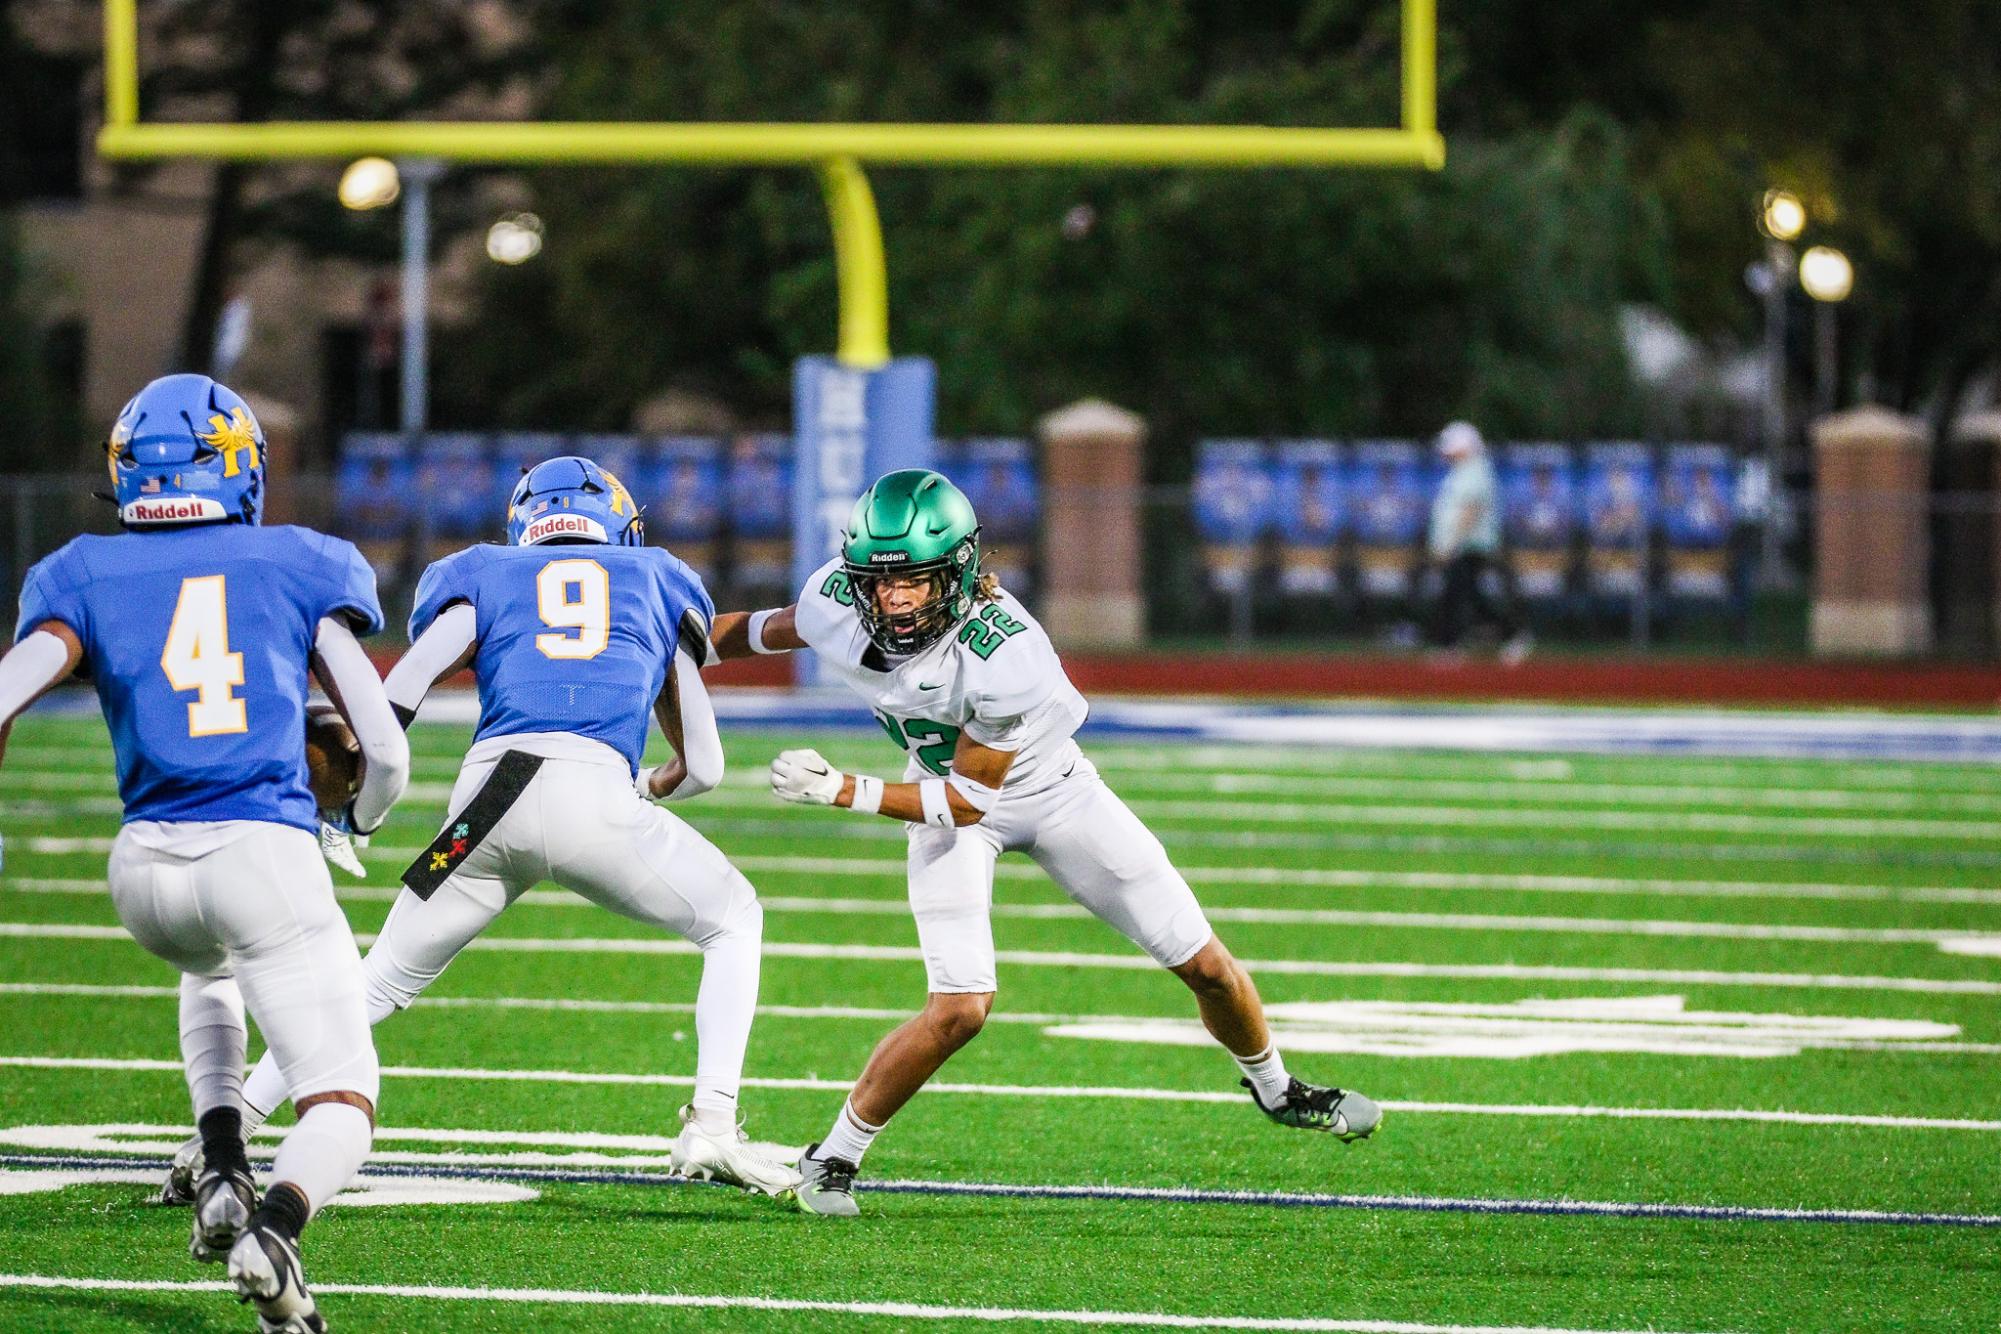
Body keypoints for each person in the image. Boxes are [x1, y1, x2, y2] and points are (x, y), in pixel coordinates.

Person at [710, 468, 1382, 1218]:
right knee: (961, 1008)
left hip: (1047, 791)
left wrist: (842, 789)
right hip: (937, 788)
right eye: (878, 582)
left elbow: (968, 802)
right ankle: (832, 1159)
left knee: (1207, 966)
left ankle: (1276, 1089)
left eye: (916, 582)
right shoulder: (838, 600)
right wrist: (662, 655)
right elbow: (755, 632)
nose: (893, 599)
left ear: (960, 571)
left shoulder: (1007, 653)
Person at [164, 455, 799, 1202]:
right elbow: (706, 767)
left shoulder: (484, 574)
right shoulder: (656, 578)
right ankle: (713, 1122)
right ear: (617, 528)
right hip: (591, 791)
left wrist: (356, 780)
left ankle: (224, 1130)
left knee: (373, 981)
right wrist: (649, 784)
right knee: (732, 919)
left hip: (485, 802)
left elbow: (404, 683)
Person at [0, 374, 408, 1333]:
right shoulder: (304, 560)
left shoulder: (77, 572)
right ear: (240, 467)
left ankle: (222, 1163)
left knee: (216, 961)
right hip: (258, 853)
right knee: (343, 1098)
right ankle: (276, 1231)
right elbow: (381, 745)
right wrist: (355, 822)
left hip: (142, 869)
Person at [1426, 421, 1531, 663]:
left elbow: (1470, 511)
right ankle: (1503, 636)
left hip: (1469, 546)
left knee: (1462, 595)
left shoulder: (1476, 470)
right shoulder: (1462, 471)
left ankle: (1455, 644)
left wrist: (1450, 544)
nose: (1446, 453)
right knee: (1466, 595)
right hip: (1461, 546)